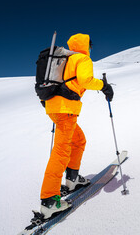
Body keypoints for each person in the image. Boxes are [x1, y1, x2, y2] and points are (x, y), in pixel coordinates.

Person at [39, 33, 114, 219]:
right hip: (66, 110)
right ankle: (49, 201)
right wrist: (104, 86)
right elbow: (85, 81)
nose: (90, 49)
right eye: (90, 45)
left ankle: (72, 179)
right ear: (87, 46)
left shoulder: (64, 59)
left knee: (78, 140)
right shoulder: (82, 59)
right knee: (61, 151)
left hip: (53, 108)